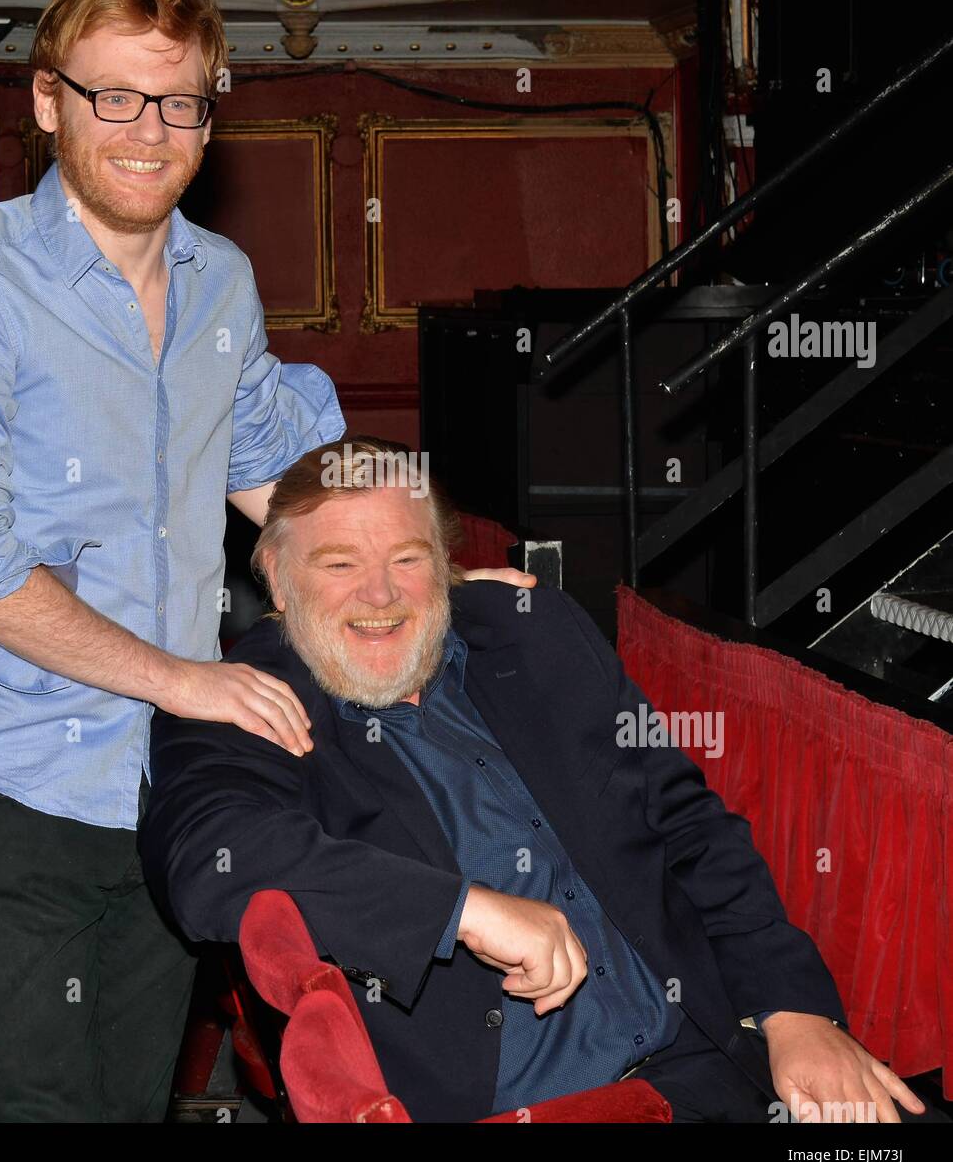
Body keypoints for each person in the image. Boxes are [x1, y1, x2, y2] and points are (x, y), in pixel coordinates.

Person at [0, 0, 349, 1122]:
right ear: (48, 102)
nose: (149, 130)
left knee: (133, 1105)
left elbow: (273, 473)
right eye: (114, 97)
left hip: (172, 790)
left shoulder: (220, 282)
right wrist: (183, 680)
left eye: (179, 99)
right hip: (6, 786)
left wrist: (422, 574)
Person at [140, 437, 943, 1124]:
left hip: (708, 1061)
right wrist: (463, 912)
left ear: (447, 568)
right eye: (339, 563)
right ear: (278, 584)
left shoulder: (534, 638)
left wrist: (791, 1010)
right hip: (521, 1102)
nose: (379, 595)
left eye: (407, 559)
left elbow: (690, 825)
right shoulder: (240, 703)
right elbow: (213, 858)